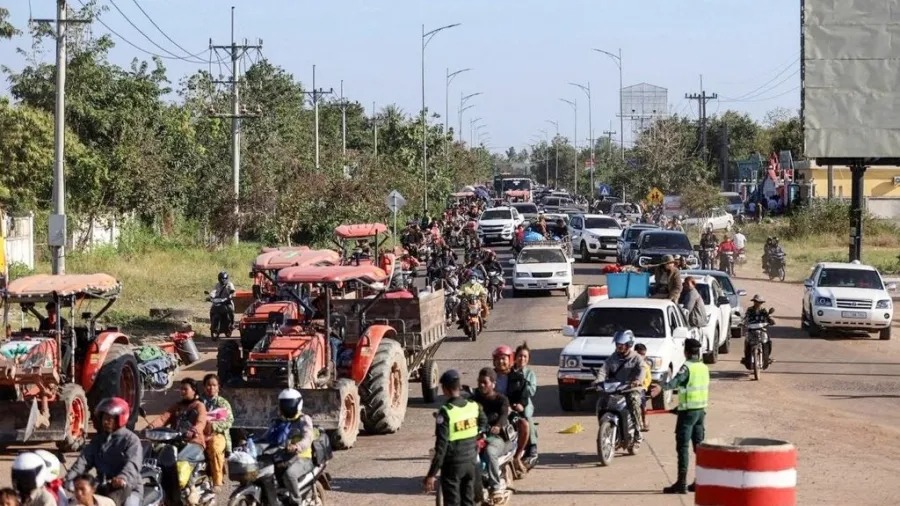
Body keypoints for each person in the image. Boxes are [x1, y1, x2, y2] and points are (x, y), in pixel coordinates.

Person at [650, 338, 709, 494]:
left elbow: (675, 382)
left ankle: (681, 483)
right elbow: (695, 390)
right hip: (700, 412)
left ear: (686, 352)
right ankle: (700, 481)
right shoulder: (703, 367)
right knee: (699, 448)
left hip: (688, 414)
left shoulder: (687, 367)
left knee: (682, 447)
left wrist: (661, 387)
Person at [423, 370, 486, 506]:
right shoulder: (473, 406)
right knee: (468, 502)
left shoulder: (446, 411)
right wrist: (474, 436)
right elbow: (483, 423)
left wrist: (431, 474)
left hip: (453, 466)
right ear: (459, 387)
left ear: (445, 389)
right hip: (471, 462)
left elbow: (441, 447)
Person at [65, 398, 142, 506]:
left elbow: (133, 464)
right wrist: (68, 478)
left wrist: (122, 478)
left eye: (109, 418)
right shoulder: (98, 440)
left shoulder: (131, 440)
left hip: (127, 487)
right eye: (104, 417)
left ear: (120, 418)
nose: (105, 421)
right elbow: (83, 461)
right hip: (102, 485)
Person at [258, 389, 315, 505]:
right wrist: (252, 442)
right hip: (283, 456)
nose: (286, 407)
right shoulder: (279, 420)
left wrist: (297, 446)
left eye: (289, 403)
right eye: (284, 403)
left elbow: (308, 438)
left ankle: (296, 501)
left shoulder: (304, 419)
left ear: (297, 404)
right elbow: (267, 436)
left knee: (290, 474)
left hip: (302, 457)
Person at [593, 331, 645, 444]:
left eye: (621, 345)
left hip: (631, 388)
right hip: (615, 387)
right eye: (617, 344)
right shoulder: (613, 357)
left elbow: (642, 370)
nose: (619, 347)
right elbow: (603, 369)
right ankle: (605, 428)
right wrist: (598, 381)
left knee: (634, 400)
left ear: (629, 345)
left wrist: (637, 381)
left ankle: (638, 430)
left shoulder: (636, 358)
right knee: (601, 402)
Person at [471, 368, 513, 502]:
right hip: (477, 436)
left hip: (496, 438)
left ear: (493, 384)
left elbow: (504, 415)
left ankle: (495, 487)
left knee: (490, 452)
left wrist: (498, 426)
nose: (481, 385)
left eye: (485, 382)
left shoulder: (501, 399)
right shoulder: (474, 399)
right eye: (479, 382)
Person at [147, 378, 208, 464]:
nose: (182, 391)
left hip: (194, 441)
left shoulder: (199, 405)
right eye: (181, 389)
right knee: (156, 455)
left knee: (181, 463)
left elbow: (201, 422)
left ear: (194, 390)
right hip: (175, 440)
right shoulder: (177, 406)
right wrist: (151, 427)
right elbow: (163, 418)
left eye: (185, 389)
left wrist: (193, 431)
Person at [492, 346, 531, 472]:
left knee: (524, 425)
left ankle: (517, 457)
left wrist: (519, 405)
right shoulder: (489, 376)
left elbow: (524, 396)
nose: (500, 362)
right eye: (498, 359)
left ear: (510, 360)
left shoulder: (518, 378)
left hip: (511, 412)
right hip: (491, 412)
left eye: (503, 359)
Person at [201, 374, 233, 489]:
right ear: (204, 387)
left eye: (214, 385)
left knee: (215, 448)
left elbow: (229, 421)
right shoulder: (199, 402)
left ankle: (217, 481)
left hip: (218, 434)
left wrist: (213, 425)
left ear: (218, 387)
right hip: (200, 433)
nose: (211, 388)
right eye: (208, 385)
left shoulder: (223, 403)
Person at [513, 343, 538, 464]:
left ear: (528, 359)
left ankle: (532, 446)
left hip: (525, 402)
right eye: (520, 356)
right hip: (510, 401)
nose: (522, 359)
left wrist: (522, 381)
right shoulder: (510, 371)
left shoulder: (530, 374)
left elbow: (532, 391)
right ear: (515, 357)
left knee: (527, 417)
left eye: (525, 356)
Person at [742, 294, 776, 368]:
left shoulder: (764, 310)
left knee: (768, 342)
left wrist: (771, 320)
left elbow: (768, 316)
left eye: (759, 302)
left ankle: (767, 358)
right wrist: (742, 322)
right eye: (756, 301)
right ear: (753, 302)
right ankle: (746, 358)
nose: (757, 303)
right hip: (751, 330)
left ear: (762, 303)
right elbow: (746, 317)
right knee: (747, 342)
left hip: (762, 329)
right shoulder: (749, 309)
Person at [634, 343, 652, 432]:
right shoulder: (630, 363)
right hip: (629, 387)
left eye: (643, 354)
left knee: (642, 405)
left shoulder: (645, 365)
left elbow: (648, 377)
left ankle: (645, 421)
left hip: (641, 388)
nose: (642, 356)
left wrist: (644, 385)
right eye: (640, 354)